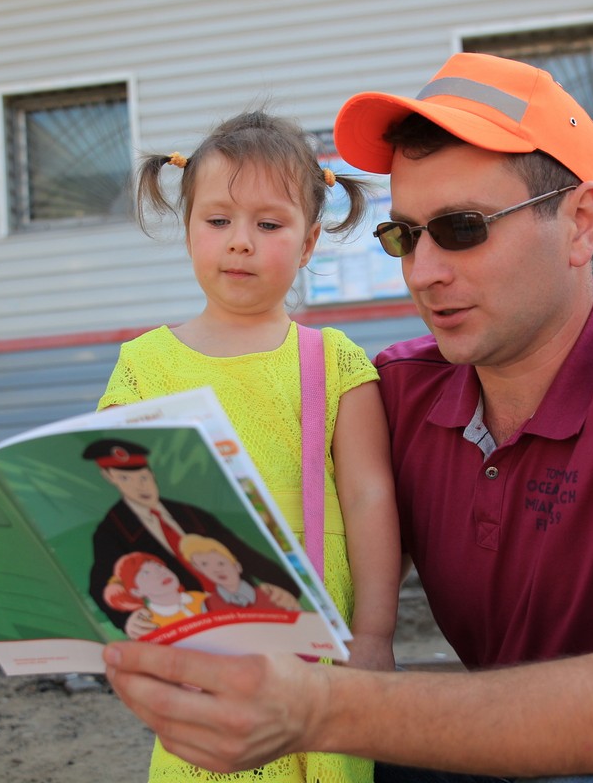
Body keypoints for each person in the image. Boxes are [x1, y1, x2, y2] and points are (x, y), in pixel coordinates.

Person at [103, 54, 593, 783]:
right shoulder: (392, 391)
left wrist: (317, 704)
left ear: (582, 224)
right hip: (532, 757)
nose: (423, 271)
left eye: (461, 228)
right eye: (404, 234)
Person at [96, 109, 403, 782]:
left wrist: (376, 634)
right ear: (187, 232)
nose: (241, 242)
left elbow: (370, 496)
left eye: (269, 224)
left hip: (320, 641)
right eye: (218, 221)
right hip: (200, 630)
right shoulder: (143, 367)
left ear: (309, 241)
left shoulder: (333, 362)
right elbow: (112, 500)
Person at [83, 437, 302, 637]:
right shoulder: (111, 530)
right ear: (109, 477)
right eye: (125, 478)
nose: (140, 486)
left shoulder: (190, 513)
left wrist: (283, 586)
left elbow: (243, 554)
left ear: (153, 474)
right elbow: (100, 582)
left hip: (246, 609)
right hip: (193, 625)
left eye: (143, 477)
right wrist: (126, 619)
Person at [102, 550, 210, 630]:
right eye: (146, 573)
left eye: (158, 566)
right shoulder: (150, 622)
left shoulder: (200, 597)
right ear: (136, 591)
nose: (160, 573)